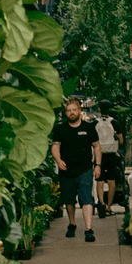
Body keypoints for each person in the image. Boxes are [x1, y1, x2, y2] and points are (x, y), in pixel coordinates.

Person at [51, 96, 101, 242]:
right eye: (69, 111)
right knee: (69, 200)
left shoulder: (88, 128)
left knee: (86, 199)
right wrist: (58, 160)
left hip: (85, 169)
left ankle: (88, 229)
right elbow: (55, 146)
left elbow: (97, 146)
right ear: (66, 113)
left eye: (74, 110)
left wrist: (98, 165)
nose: (72, 113)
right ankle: (72, 223)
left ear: (79, 111)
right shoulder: (60, 129)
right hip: (66, 171)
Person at [93, 100, 125, 218]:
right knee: (112, 181)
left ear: (99, 109)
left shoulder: (94, 123)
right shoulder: (115, 123)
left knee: (99, 181)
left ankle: (101, 203)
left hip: (99, 156)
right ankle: (109, 207)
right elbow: (121, 141)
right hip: (112, 155)